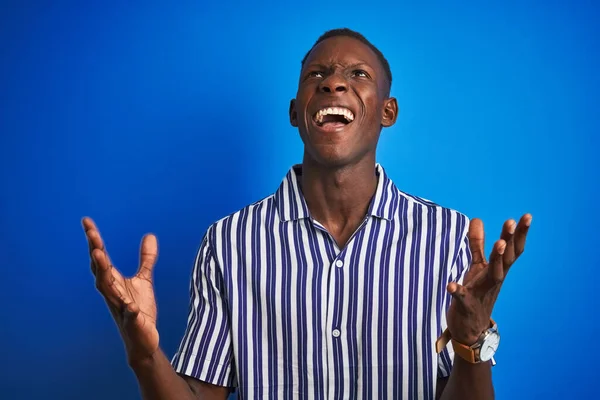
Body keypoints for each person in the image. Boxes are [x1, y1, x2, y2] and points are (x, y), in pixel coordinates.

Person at [82, 28, 531, 400]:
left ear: (387, 111)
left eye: (357, 74)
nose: (333, 83)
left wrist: (473, 341)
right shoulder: (228, 244)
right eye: (317, 74)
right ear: (297, 113)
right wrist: (143, 356)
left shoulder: (446, 238)